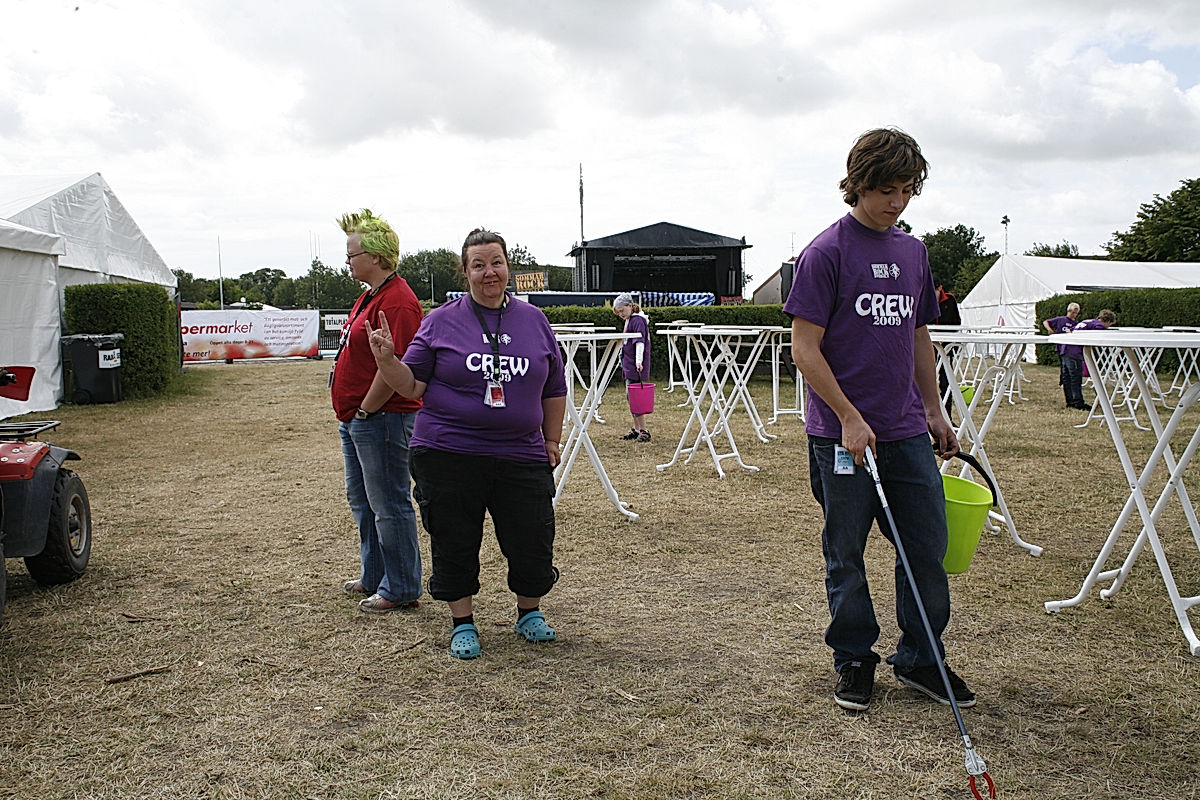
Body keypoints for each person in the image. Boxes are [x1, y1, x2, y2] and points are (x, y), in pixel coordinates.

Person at [786, 127, 974, 712]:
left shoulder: (914, 253)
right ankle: (854, 658)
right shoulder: (826, 253)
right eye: (886, 189)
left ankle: (921, 657)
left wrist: (933, 407)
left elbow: (917, 334)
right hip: (842, 438)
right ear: (859, 184)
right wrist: (846, 416)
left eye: (907, 191)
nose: (896, 202)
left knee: (926, 547)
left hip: (906, 433)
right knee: (846, 551)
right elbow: (805, 349)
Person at [365, 228, 567, 660]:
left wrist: (552, 438)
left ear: (508, 266)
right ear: (466, 272)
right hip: (448, 453)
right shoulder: (441, 320)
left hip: (521, 452)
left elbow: (553, 385)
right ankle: (463, 622)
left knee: (531, 536)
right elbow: (412, 383)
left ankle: (529, 613)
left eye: (495, 262)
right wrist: (388, 361)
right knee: (454, 538)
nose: (488, 272)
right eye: (478, 265)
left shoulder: (534, 321)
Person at [330, 209, 425, 614]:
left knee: (389, 503)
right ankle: (376, 575)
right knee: (365, 501)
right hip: (360, 419)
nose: (347, 261)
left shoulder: (398, 303)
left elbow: (396, 366)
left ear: (376, 256)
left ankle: (401, 586)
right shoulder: (371, 295)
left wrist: (366, 410)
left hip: (382, 419)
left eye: (352, 254)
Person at [612, 292, 653, 442]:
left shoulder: (638, 321)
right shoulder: (630, 320)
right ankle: (637, 429)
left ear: (630, 306)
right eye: (618, 312)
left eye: (622, 310)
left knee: (635, 398)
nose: (620, 314)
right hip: (629, 363)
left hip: (635, 364)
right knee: (630, 397)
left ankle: (643, 430)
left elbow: (639, 342)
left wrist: (638, 361)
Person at [1043, 302, 1085, 409]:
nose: (1073, 314)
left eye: (1075, 313)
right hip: (1063, 349)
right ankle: (1074, 400)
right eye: (1072, 312)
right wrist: (1050, 330)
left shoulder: (1076, 323)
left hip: (1068, 349)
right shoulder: (1061, 320)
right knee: (1069, 375)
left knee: (1068, 375)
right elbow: (1046, 322)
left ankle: (1072, 399)